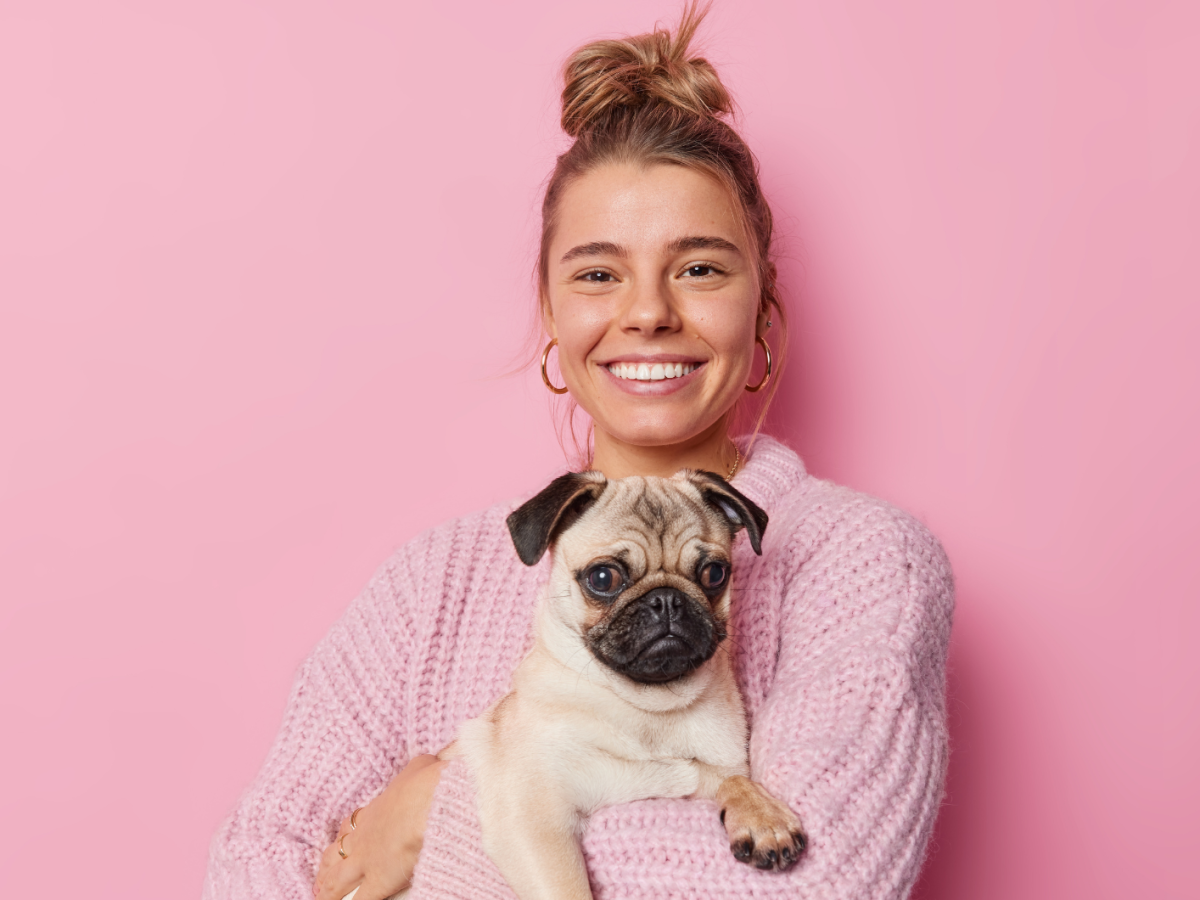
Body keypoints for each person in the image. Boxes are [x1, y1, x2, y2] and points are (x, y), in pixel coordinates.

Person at [203, 7, 954, 900]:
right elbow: (255, 863)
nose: (649, 313)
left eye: (700, 269)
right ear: (552, 312)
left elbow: (814, 881)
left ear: (761, 306)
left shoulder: (859, 560)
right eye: (599, 274)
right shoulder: (431, 584)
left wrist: (436, 815)